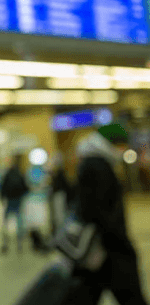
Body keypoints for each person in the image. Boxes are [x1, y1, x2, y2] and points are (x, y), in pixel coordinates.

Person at [63, 129, 148, 305]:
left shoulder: (93, 162)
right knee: (131, 296)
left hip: (98, 247)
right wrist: (120, 240)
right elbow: (97, 209)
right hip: (108, 245)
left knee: (85, 295)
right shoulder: (97, 166)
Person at [0, 156, 28, 254]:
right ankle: (19, 243)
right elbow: (25, 187)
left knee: (6, 222)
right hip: (18, 200)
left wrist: (2, 197)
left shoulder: (7, 174)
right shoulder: (20, 173)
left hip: (9, 200)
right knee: (19, 222)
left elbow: (2, 187)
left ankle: (5, 243)